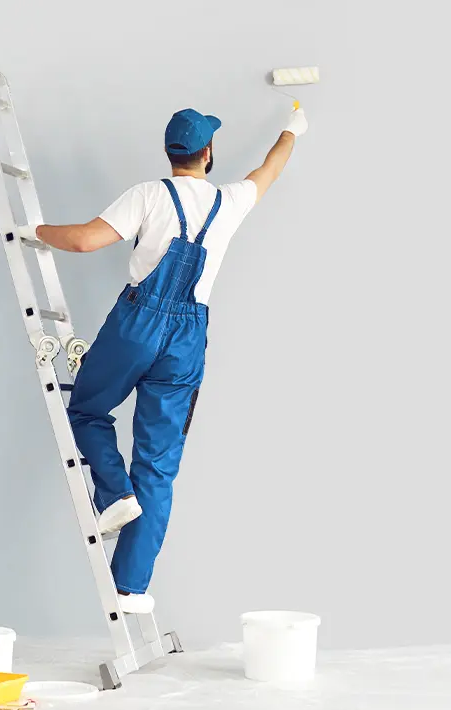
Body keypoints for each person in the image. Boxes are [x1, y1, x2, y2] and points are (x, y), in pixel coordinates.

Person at [30, 106, 308, 614]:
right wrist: (293, 126)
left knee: (86, 410)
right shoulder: (231, 200)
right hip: (188, 337)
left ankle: (113, 493)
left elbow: (85, 240)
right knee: (157, 466)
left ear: (169, 152)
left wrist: (37, 230)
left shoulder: (148, 194)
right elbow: (272, 164)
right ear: (208, 153)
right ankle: (129, 588)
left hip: (137, 324)